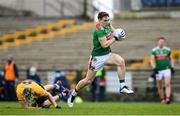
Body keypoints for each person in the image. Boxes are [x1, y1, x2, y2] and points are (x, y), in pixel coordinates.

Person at [67, 11, 134, 107]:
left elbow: (114, 31)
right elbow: (104, 44)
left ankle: (122, 86)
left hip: (107, 54)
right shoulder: (98, 30)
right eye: (105, 20)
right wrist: (116, 38)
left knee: (121, 61)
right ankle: (74, 93)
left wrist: (118, 33)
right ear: (99, 20)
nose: (107, 22)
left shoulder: (108, 24)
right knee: (88, 81)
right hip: (97, 58)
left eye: (108, 20)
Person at [150, 37, 175, 104]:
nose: (161, 43)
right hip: (158, 70)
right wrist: (154, 68)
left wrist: (172, 67)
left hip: (166, 69)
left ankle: (167, 98)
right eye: (160, 41)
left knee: (167, 84)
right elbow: (152, 60)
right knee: (160, 85)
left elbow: (171, 58)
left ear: (164, 42)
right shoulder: (154, 50)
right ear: (158, 42)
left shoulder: (168, 50)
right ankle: (162, 99)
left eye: (162, 42)